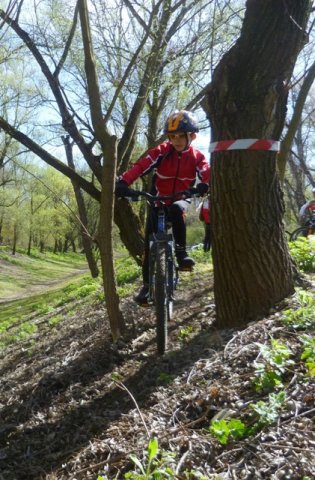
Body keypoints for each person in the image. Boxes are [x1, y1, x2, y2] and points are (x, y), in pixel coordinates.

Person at [115, 109, 210, 305]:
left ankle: (182, 254)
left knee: (176, 210)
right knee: (150, 244)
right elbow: (141, 166)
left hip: (181, 197)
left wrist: (205, 185)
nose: (176, 140)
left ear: (191, 136)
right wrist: (124, 183)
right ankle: (148, 287)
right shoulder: (161, 152)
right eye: (172, 136)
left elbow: (206, 172)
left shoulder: (197, 156)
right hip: (157, 198)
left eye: (180, 136)